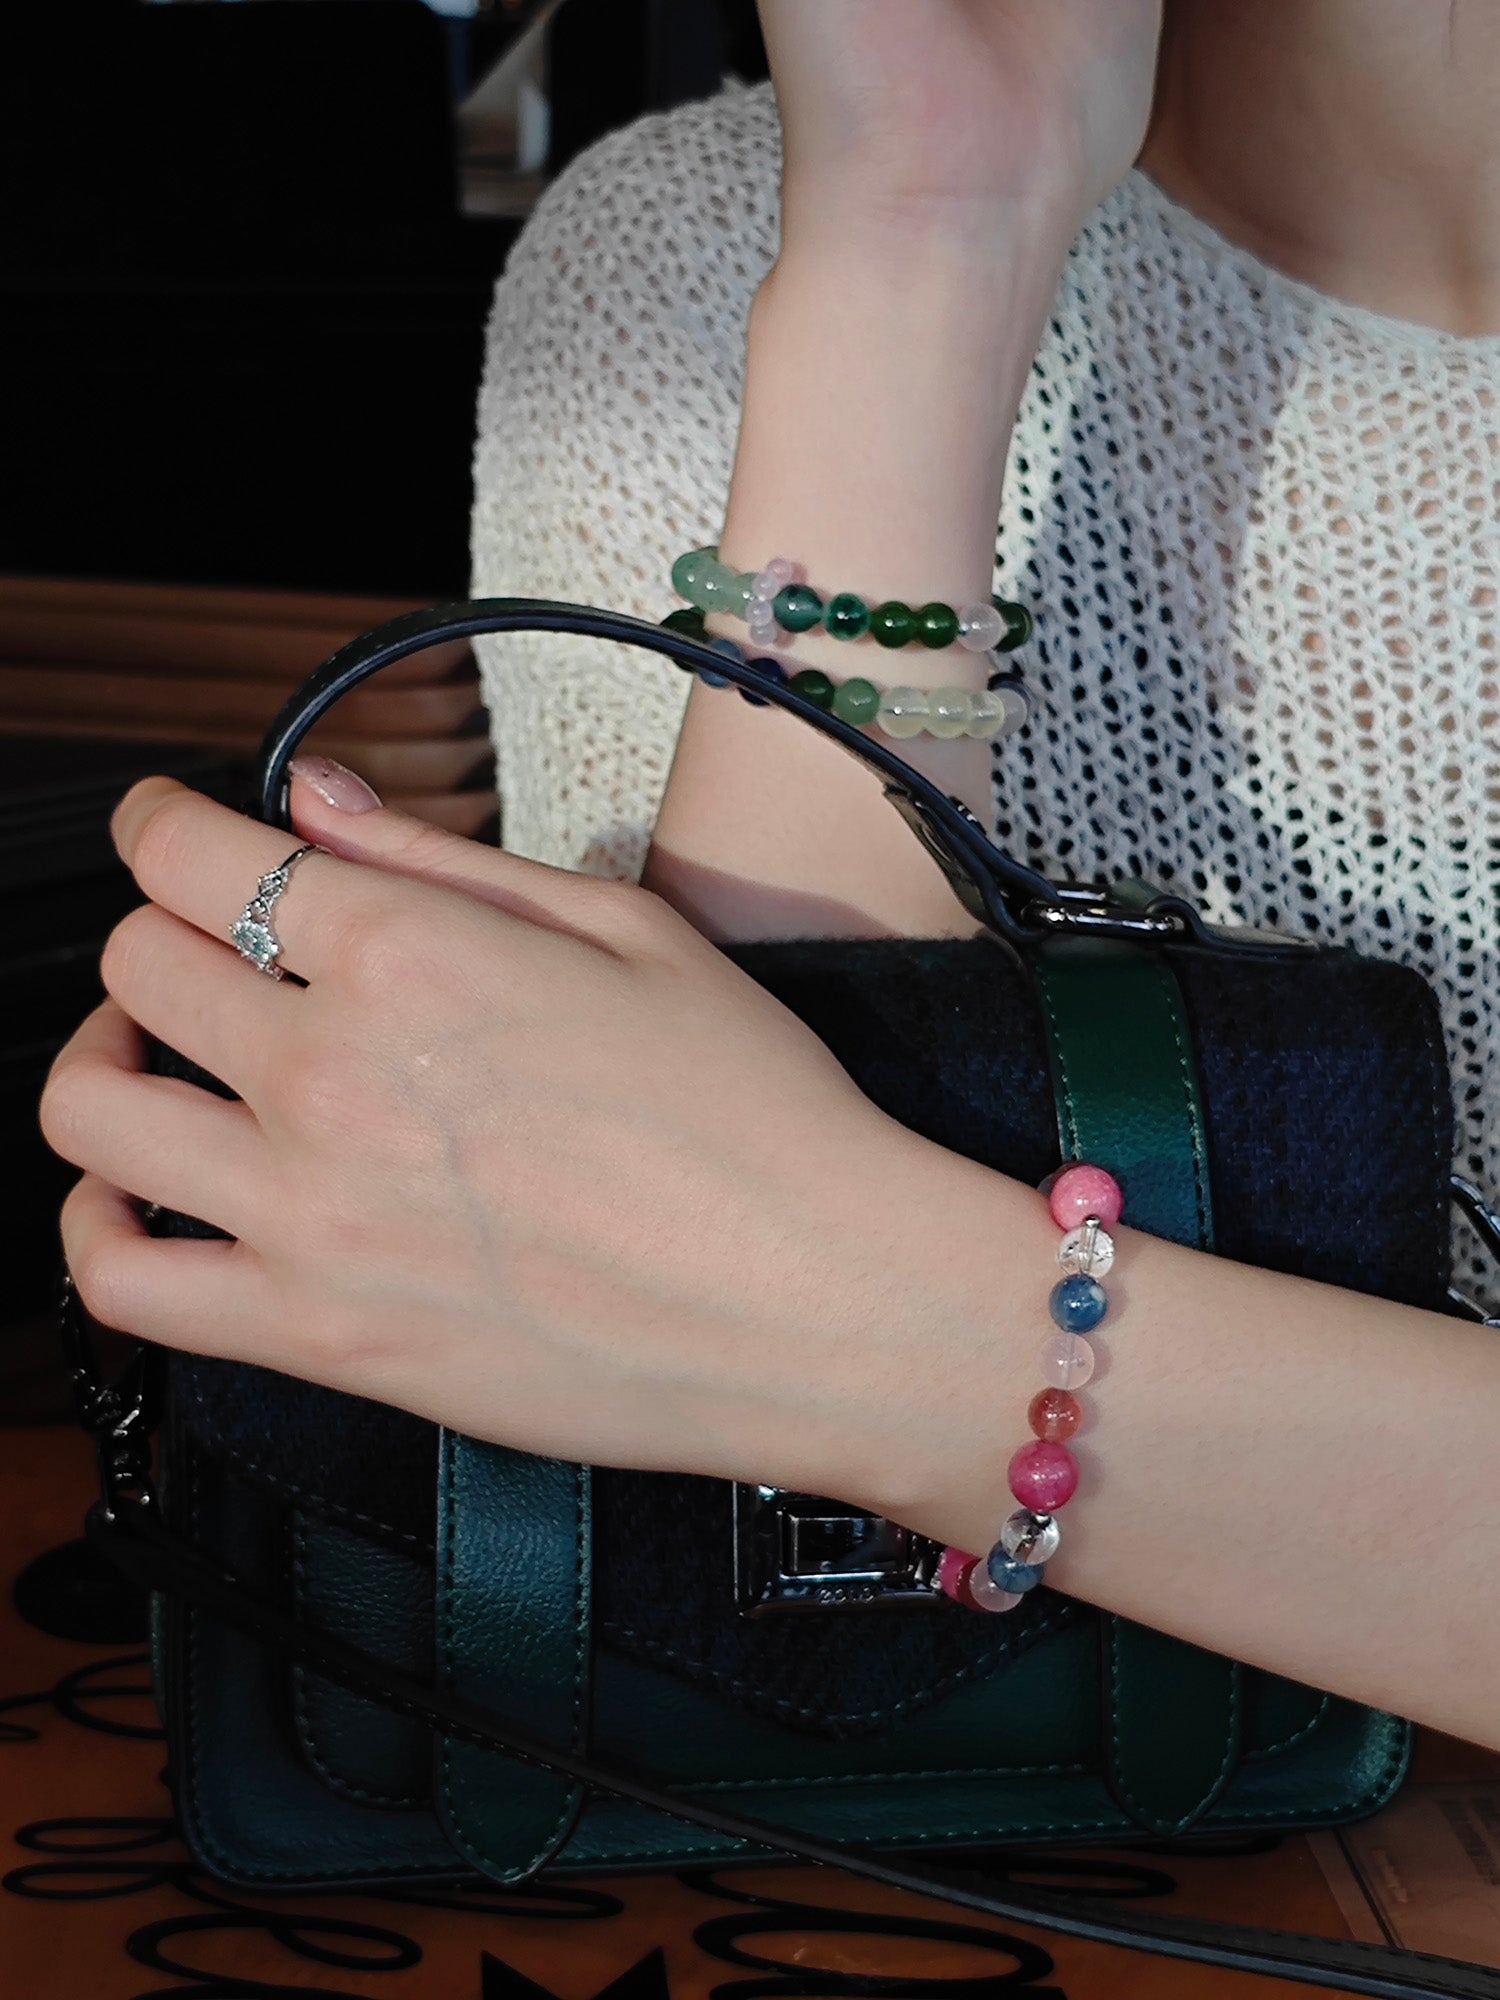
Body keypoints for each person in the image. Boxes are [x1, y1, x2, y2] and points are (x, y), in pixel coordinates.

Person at [39, 0, 1500, 1754]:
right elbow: (671, 1408)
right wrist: (926, 243)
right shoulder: (725, 243)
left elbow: (719, 1281)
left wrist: (896, 1344)